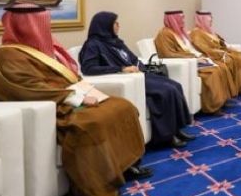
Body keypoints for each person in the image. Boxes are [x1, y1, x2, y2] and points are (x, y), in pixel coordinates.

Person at [0, 4, 151, 196]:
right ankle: (99, 187)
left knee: (123, 107)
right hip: (56, 106)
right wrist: (74, 97)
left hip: (71, 97)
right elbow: (26, 89)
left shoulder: (44, 50)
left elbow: (68, 76)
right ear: (23, 26)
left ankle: (126, 166)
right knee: (92, 123)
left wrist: (85, 91)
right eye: (41, 24)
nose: (46, 29)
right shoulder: (5, 55)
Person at [79, 11, 195, 149]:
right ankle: (168, 136)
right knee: (166, 91)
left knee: (175, 85)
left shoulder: (116, 42)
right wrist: (121, 68)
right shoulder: (93, 45)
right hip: (126, 78)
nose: (118, 25)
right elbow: (88, 68)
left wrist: (141, 67)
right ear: (105, 26)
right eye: (115, 23)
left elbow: (133, 59)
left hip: (138, 75)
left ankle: (177, 129)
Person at [154, 10, 232, 114]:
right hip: (187, 63)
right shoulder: (164, 34)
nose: (183, 20)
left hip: (194, 60)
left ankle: (222, 101)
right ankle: (213, 107)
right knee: (212, 73)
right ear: (173, 19)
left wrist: (200, 56)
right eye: (181, 18)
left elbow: (190, 48)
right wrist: (194, 58)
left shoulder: (179, 33)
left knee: (221, 67)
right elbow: (168, 54)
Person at [190, 11, 241, 95]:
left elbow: (220, 42)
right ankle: (238, 87)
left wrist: (226, 47)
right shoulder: (196, 33)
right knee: (236, 59)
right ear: (202, 20)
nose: (211, 20)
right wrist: (220, 53)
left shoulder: (209, 31)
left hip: (221, 52)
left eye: (211, 18)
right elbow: (205, 49)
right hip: (212, 55)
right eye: (209, 19)